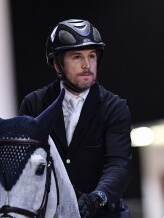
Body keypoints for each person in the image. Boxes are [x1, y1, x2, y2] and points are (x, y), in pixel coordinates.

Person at [19, 19, 132, 218]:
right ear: (57, 64)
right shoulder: (33, 105)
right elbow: (26, 167)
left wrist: (97, 198)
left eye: (92, 56)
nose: (87, 64)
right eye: (77, 57)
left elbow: (119, 165)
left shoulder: (115, 107)